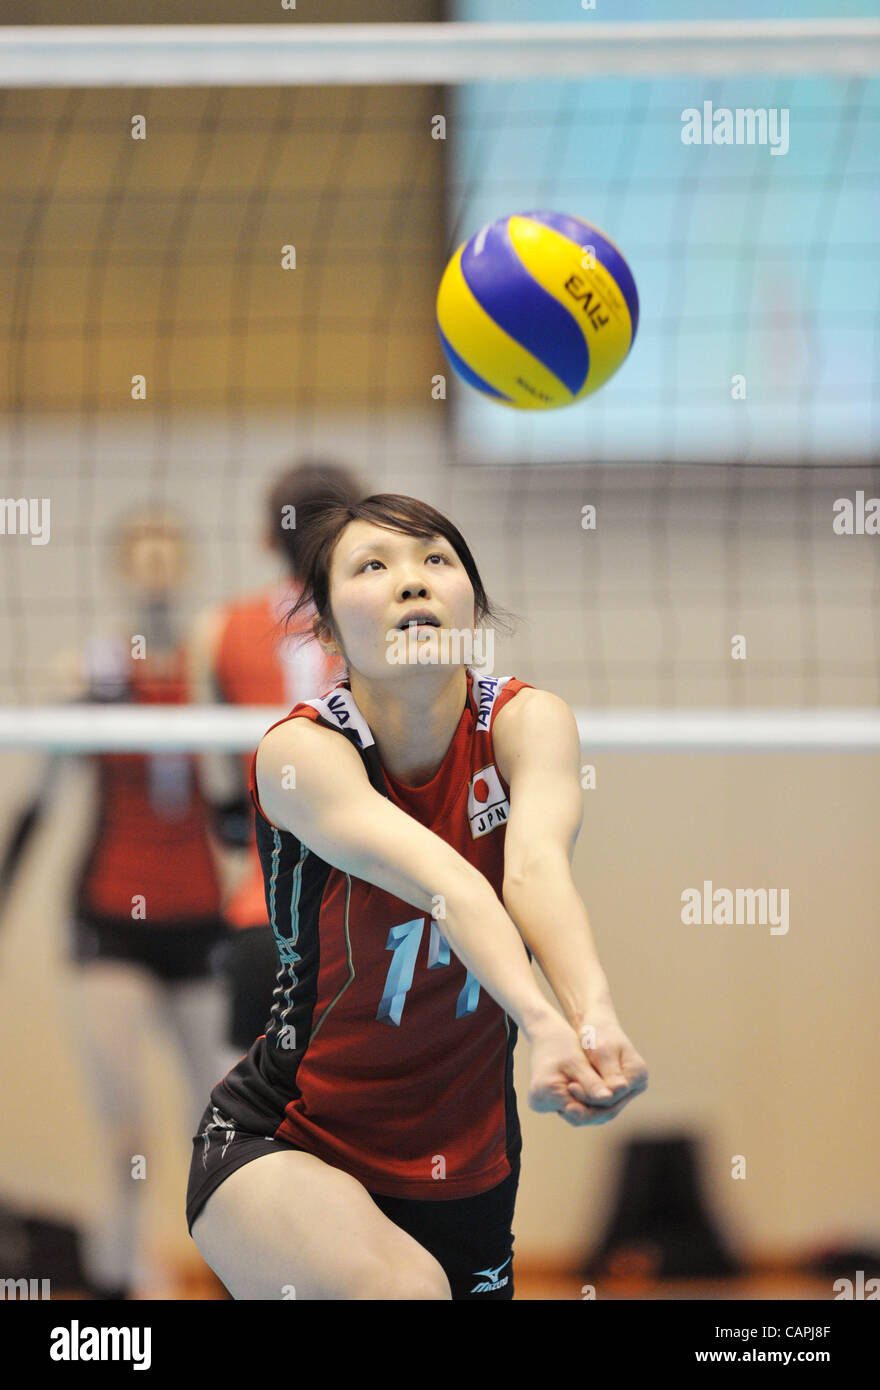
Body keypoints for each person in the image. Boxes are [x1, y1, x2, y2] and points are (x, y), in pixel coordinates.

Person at [186, 490, 649, 1301]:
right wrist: (545, 1022)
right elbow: (450, 887)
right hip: (285, 1140)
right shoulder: (300, 754)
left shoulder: (528, 722)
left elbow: (535, 872)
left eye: (436, 559)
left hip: (467, 1166)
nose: (413, 581)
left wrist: (594, 1020)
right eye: (373, 566)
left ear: (472, 600)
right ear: (325, 630)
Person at [0, 509, 229, 1299]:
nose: (158, 576)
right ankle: (123, 1294)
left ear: (187, 569)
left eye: (171, 559)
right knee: (126, 1131)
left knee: (228, 1130)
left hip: (204, 923)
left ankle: (247, 1276)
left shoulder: (214, 669)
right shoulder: (91, 672)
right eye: (145, 562)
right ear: (125, 573)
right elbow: (42, 797)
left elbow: (247, 803)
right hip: (110, 924)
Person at [186, 460, 364, 1074]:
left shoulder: (217, 630)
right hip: (371, 913)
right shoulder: (387, 623)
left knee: (240, 1117)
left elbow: (218, 788)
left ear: (267, 538)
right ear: (357, 528)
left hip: (266, 910)